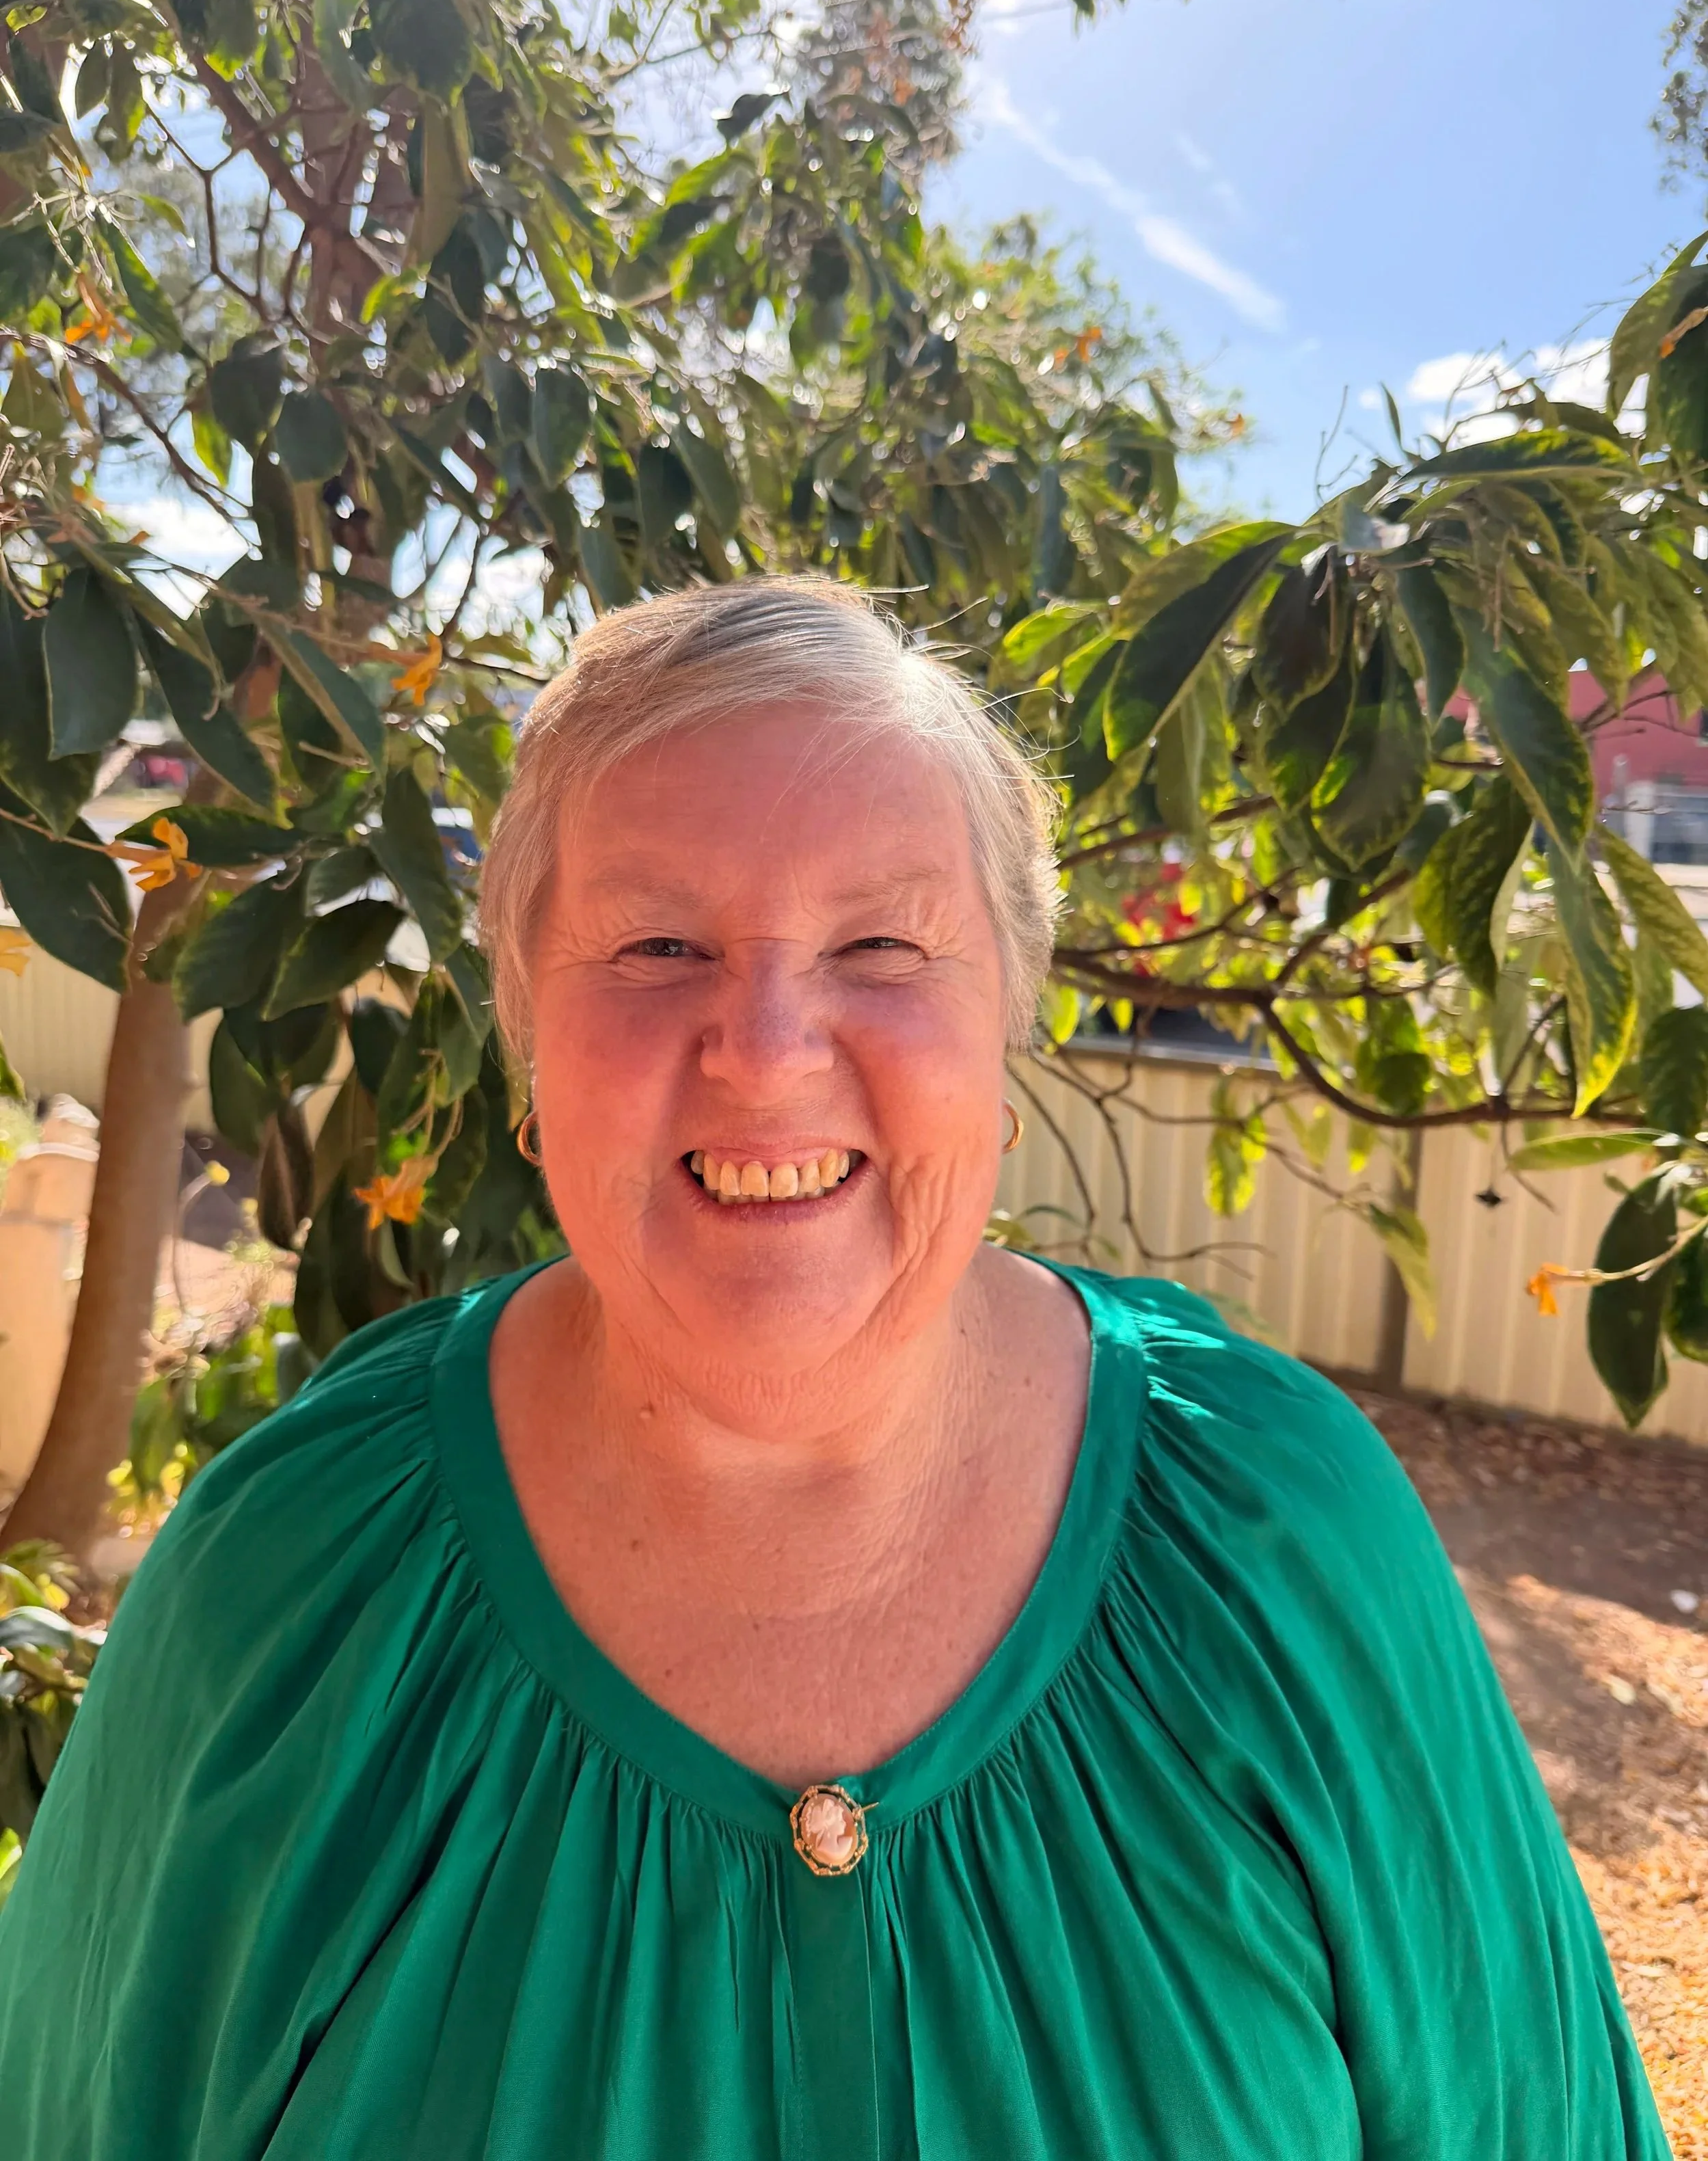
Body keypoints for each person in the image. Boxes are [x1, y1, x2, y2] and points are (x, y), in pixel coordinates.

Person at [0, 580, 1670, 2160]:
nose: (769, 1051)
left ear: (1006, 1027)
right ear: (525, 1039)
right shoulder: (282, 1585)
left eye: (882, 946)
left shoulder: (1284, 1539)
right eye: (656, 947)